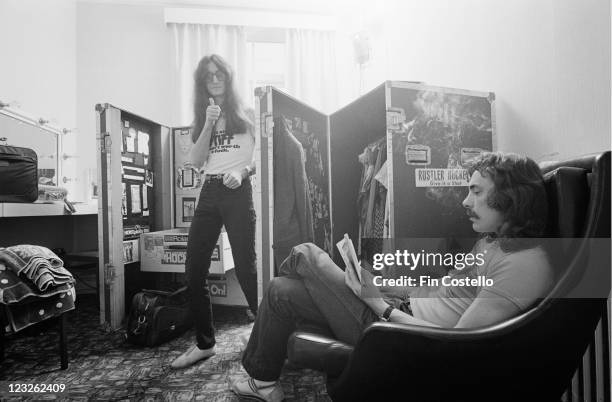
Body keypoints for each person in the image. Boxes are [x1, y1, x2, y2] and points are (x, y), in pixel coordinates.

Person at [231, 152, 555, 401]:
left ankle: (265, 334)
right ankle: (262, 378)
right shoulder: (493, 241)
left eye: (476, 191)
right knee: (281, 289)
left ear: (512, 198)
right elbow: (446, 290)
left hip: (393, 334)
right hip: (398, 309)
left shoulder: (524, 264)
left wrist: (379, 306)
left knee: (305, 253)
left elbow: (459, 344)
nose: (465, 201)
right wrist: (386, 287)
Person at [171, 54, 257, 369]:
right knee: (194, 271)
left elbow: (264, 154)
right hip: (209, 192)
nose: (215, 79)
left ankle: (266, 333)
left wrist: (245, 171)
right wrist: (208, 121)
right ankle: (205, 344)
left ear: (228, 77)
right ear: (202, 82)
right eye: (209, 76)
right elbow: (195, 160)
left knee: (248, 268)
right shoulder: (202, 118)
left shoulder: (247, 114)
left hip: (238, 190)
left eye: (219, 73)